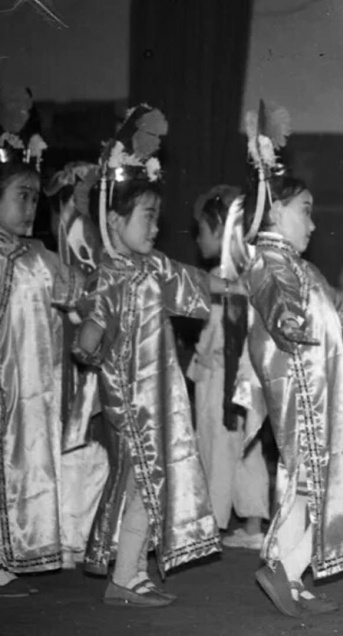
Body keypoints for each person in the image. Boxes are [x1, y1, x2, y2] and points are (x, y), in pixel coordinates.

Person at [232, 101, 343, 619]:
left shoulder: (302, 267)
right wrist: (292, 321)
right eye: (304, 210)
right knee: (306, 483)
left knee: (310, 486)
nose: (313, 223)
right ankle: (281, 566)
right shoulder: (267, 262)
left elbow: (335, 309)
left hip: (320, 387)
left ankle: (289, 574)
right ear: (273, 211)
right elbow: (279, 308)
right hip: (298, 387)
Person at [74, 105, 224, 607]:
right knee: (141, 483)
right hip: (131, 404)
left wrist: (236, 284)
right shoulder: (111, 277)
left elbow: (197, 282)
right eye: (148, 217)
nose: (156, 227)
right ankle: (125, 577)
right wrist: (87, 346)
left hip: (158, 399)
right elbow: (95, 324)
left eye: (158, 217)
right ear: (114, 221)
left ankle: (131, 571)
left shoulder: (154, 267)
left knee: (146, 485)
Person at [0, 96, 83, 597]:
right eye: (20, 197)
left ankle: (12, 557)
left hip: (31, 390)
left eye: (35, 198)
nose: (31, 208)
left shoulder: (40, 257)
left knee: (24, 465)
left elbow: (80, 290)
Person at [188, 184, 269, 549]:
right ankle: (252, 524)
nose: (196, 238)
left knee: (216, 445)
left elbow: (218, 334)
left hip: (222, 373)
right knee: (246, 447)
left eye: (201, 230)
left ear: (221, 231)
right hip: (245, 374)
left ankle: (212, 523)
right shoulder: (248, 269)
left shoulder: (223, 275)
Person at [44, 161, 110, 570]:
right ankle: (75, 536)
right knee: (81, 444)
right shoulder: (80, 235)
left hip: (85, 352)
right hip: (78, 352)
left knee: (83, 445)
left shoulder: (80, 233)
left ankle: (76, 536)